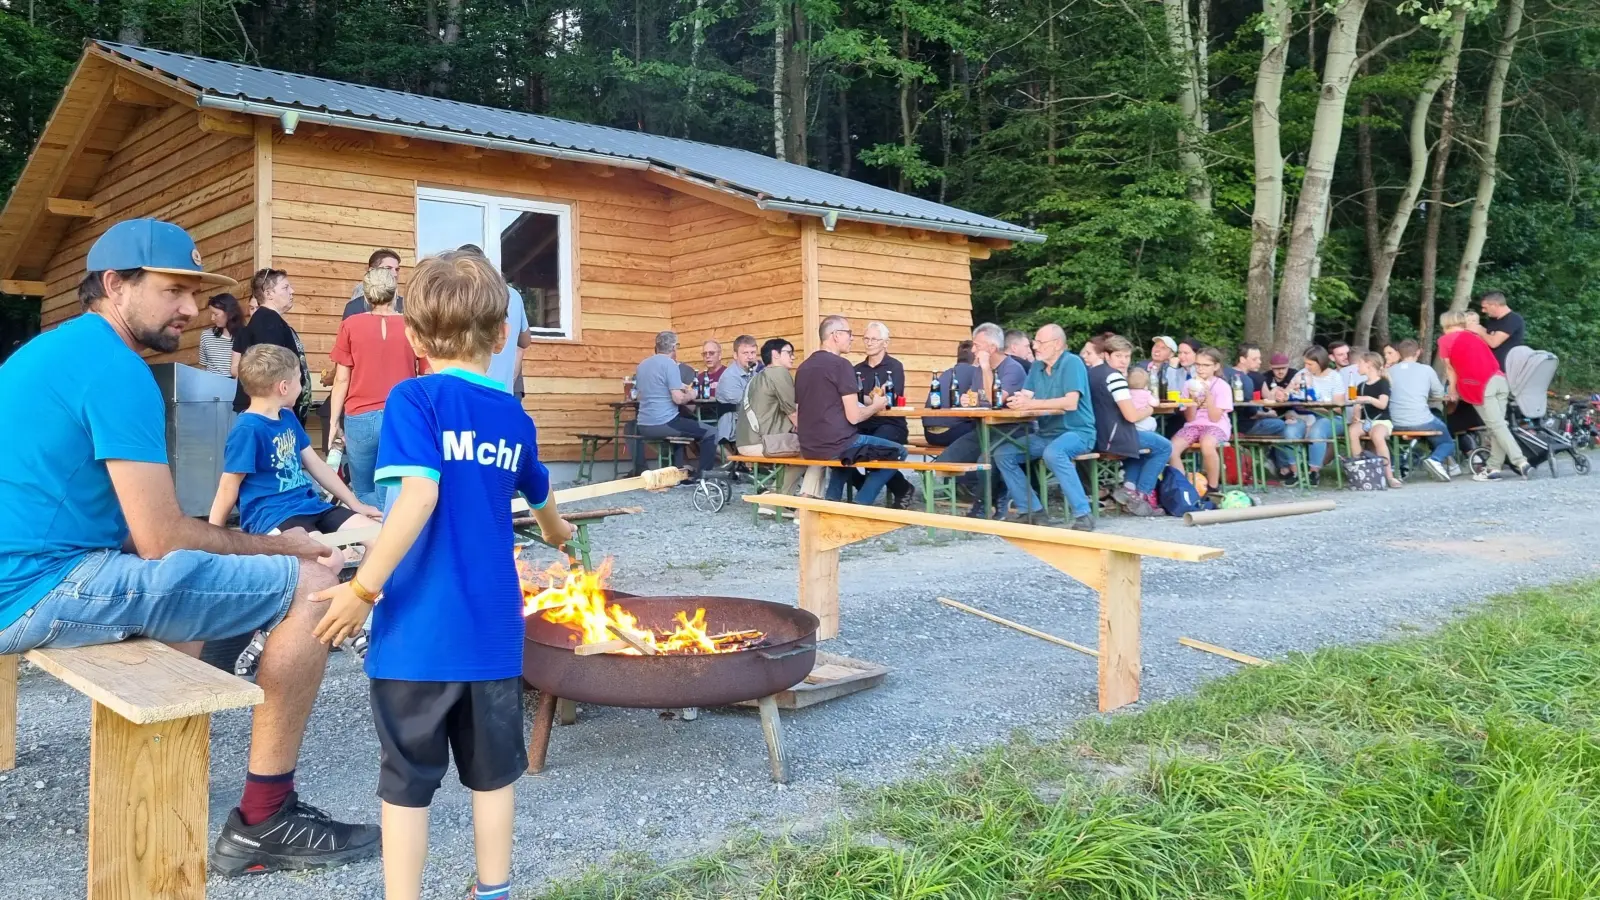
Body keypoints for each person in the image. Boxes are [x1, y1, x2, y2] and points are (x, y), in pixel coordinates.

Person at [0, 218, 377, 874]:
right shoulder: (116, 369)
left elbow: (123, 527)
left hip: (26, 569)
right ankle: (266, 820)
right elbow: (161, 537)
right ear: (115, 284)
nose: (190, 310)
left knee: (195, 587)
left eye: (194, 293)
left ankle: (163, 779)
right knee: (318, 586)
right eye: (174, 290)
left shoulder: (51, 351)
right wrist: (283, 548)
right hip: (38, 586)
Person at [309, 250, 573, 900]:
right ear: (504, 335)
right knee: (493, 777)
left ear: (416, 338)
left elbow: (419, 499)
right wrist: (558, 534)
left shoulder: (414, 399)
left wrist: (362, 587)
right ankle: (494, 889)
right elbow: (540, 498)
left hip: (417, 637)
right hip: (490, 635)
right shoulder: (514, 416)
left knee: (406, 784)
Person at [210, 345, 383, 546]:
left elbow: (317, 466)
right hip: (273, 517)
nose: (301, 387)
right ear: (284, 387)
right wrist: (213, 538)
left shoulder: (287, 418)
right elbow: (227, 487)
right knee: (329, 557)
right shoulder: (248, 429)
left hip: (310, 506)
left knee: (381, 537)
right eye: (299, 380)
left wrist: (355, 504)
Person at [328, 266, 426, 508]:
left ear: (365, 296)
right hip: (400, 415)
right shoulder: (412, 326)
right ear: (395, 294)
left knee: (361, 490)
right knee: (391, 489)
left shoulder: (350, 325)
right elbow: (425, 374)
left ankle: (371, 539)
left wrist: (333, 422)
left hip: (359, 417)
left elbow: (341, 379)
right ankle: (390, 535)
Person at [995, 324, 1096, 530]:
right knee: (1002, 454)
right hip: (1046, 433)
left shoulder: (1072, 362)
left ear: (1057, 344)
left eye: (1040, 342)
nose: (1035, 346)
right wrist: (1015, 400)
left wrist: (1031, 404)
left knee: (1054, 453)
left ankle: (1083, 513)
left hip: (1078, 431)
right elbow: (1026, 396)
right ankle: (1033, 510)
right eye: (1035, 342)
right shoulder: (1037, 367)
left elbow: (1071, 403)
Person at [795, 315, 904, 505]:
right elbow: (854, 417)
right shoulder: (842, 365)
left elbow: (799, 410)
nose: (852, 338)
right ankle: (860, 504)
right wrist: (875, 406)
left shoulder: (803, 367)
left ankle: (832, 501)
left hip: (809, 446)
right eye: (849, 333)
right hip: (837, 444)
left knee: (849, 452)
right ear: (836, 335)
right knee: (899, 451)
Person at [935, 323, 1029, 515]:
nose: (973, 349)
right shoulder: (977, 370)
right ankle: (996, 493)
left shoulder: (1013, 368)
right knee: (945, 461)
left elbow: (995, 399)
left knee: (984, 462)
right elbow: (976, 396)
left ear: (992, 348)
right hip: (982, 428)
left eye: (977, 345)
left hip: (1011, 430)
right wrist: (966, 399)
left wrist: (986, 368)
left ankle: (984, 504)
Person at [1439, 310, 1530, 480]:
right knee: (1496, 426)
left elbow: (1450, 368)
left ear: (1445, 324)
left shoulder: (1445, 340)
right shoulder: (1475, 336)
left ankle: (1520, 461)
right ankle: (1493, 468)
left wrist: (1452, 390)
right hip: (1499, 379)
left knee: (1496, 426)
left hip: (1480, 385)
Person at [1094, 336, 1169, 516]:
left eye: (1127, 356)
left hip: (1096, 433)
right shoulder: (1116, 378)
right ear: (1106, 355)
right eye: (1119, 356)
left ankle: (1129, 488)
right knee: (1165, 446)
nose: (1124, 361)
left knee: (1143, 447)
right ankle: (1141, 496)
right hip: (1114, 437)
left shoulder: (1094, 373)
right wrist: (1150, 409)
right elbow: (1132, 416)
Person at [632, 331, 718, 480]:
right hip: (664, 423)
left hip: (643, 425)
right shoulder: (670, 364)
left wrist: (681, 386)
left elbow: (639, 395)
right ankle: (703, 477)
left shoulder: (642, 365)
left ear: (656, 346)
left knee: (685, 426)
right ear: (674, 347)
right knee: (711, 432)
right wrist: (692, 394)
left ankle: (680, 469)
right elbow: (678, 399)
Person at [232, 267, 312, 421]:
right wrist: (285, 411)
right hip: (272, 414)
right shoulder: (267, 323)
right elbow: (271, 372)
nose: (292, 291)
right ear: (268, 294)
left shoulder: (272, 321)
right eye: (285, 287)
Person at [455, 245, 532, 395]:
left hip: (470, 392)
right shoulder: (514, 295)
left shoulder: (463, 296)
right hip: (504, 392)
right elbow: (525, 341)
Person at [736, 339, 801, 516]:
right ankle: (780, 501)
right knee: (810, 451)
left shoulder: (759, 376)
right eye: (789, 352)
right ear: (775, 355)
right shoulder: (779, 373)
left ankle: (772, 498)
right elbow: (793, 413)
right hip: (761, 442)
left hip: (746, 441)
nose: (793, 357)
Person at [852, 321, 913, 508]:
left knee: (875, 452)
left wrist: (868, 399)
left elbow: (887, 399)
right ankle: (873, 486)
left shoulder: (894, 366)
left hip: (891, 424)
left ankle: (897, 489)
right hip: (864, 421)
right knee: (841, 448)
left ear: (885, 343)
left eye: (874, 339)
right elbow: (859, 400)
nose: (869, 343)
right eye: (866, 338)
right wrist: (873, 399)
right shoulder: (856, 369)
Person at [1387, 339, 1456, 482]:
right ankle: (1435, 459)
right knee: (1448, 441)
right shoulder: (1426, 370)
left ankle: (1402, 462)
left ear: (1399, 354)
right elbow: (1438, 394)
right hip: (1420, 420)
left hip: (1395, 421)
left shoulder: (1389, 371)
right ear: (1418, 352)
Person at [1168, 347, 1233, 489]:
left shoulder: (1222, 386)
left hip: (1216, 425)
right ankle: (1183, 487)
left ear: (1216, 366)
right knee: (1171, 449)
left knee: (1207, 444)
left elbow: (1215, 418)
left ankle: (1213, 486)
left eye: (1206, 365)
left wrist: (1208, 396)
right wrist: (1192, 399)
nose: (1201, 369)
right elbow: (1190, 418)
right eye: (1198, 365)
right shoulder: (1189, 384)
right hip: (1194, 425)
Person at [1345, 351, 1403, 488]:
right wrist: (1356, 414)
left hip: (1381, 421)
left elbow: (1383, 404)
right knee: (1352, 431)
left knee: (1377, 435)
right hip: (1366, 421)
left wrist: (1367, 399)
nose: (1357, 367)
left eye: (1360, 364)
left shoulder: (1383, 383)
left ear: (1369, 364)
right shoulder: (1361, 386)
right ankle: (1360, 469)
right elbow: (1357, 406)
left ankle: (1389, 475)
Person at [1287, 346, 1345, 483]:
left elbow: (1338, 408)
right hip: (1306, 414)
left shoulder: (1334, 377)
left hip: (1330, 417)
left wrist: (1318, 405)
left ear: (1320, 362)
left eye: (1310, 364)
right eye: (1305, 363)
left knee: (1317, 431)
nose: (1306, 367)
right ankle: (1295, 472)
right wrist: (1287, 393)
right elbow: (1287, 391)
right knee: (1290, 431)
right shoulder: (1302, 373)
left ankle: (1313, 472)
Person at [923, 341, 980, 447]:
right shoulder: (976, 372)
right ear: (976, 357)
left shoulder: (946, 373)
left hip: (929, 435)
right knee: (987, 430)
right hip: (953, 433)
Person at [715, 334, 759, 444]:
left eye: (753, 353)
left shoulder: (754, 372)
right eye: (745, 353)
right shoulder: (729, 377)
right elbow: (746, 404)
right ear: (735, 355)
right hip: (736, 424)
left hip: (752, 419)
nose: (750, 357)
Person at [343, 249, 405, 318]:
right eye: (388, 268)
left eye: (397, 269)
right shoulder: (354, 307)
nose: (395, 274)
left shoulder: (405, 305)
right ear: (372, 271)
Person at [199, 292, 244, 376]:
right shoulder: (206, 335)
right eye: (211, 314)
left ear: (229, 313)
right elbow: (203, 367)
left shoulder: (244, 335)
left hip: (234, 386)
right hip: (211, 384)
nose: (212, 318)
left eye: (216, 314)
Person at [1478, 291, 1525, 367]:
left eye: (1485, 307)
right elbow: (1488, 337)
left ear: (1495, 305)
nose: (1483, 311)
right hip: (1489, 366)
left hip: (1505, 368)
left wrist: (1479, 330)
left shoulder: (1513, 319)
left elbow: (1493, 343)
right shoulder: (1493, 319)